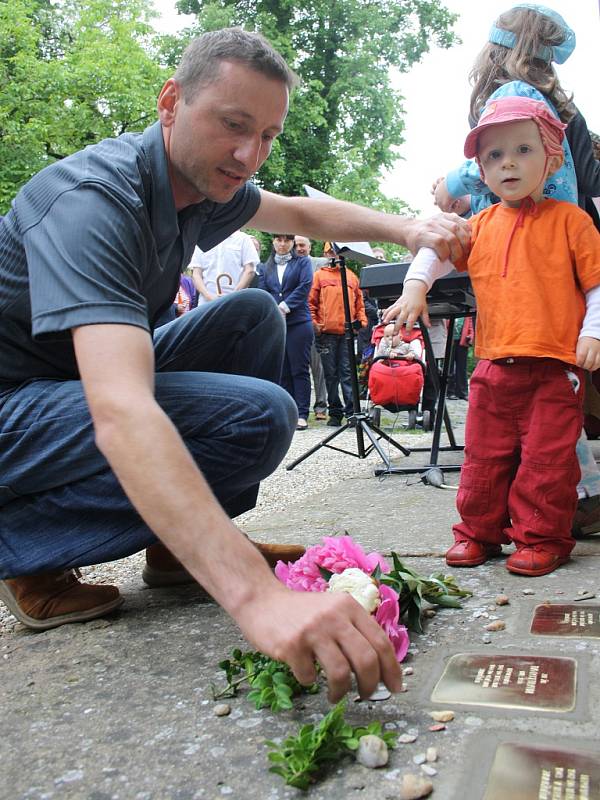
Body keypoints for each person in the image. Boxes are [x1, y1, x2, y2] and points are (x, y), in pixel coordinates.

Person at [0, 27, 470, 701]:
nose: (250, 154)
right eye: (234, 125)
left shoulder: (204, 189)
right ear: (170, 104)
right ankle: (29, 553)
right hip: (18, 408)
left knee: (253, 315)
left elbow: (305, 211)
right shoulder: (91, 202)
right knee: (261, 416)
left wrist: (408, 230)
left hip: (65, 387)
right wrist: (256, 598)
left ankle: (173, 553)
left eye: (269, 135)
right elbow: (120, 408)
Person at [387, 96, 600, 579]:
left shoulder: (572, 222)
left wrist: (594, 332)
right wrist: (414, 288)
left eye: (523, 150)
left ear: (552, 158)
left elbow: (597, 283)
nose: (508, 163)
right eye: (493, 156)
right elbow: (435, 253)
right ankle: (477, 533)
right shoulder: (477, 225)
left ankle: (542, 538)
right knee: (484, 457)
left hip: (554, 368)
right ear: (480, 170)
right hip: (492, 368)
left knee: (547, 463)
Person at [432, 3, 600, 539]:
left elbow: (490, 152)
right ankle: (580, 493)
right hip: (556, 253)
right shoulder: (558, 104)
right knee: (554, 393)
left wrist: (451, 184)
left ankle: (565, 498)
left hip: (529, 254)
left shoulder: (512, 97)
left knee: (537, 395)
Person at [258, 235, 314, 430]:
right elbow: (264, 290)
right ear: (273, 242)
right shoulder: (265, 267)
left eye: (287, 240)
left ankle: (302, 413)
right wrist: (274, 309)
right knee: (282, 369)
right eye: (278, 240)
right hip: (276, 323)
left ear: (292, 243)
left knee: (299, 368)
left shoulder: (303, 262)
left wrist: (285, 306)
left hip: (298, 321)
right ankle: (287, 412)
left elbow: (304, 286)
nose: (282, 244)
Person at [309, 243, 368, 426]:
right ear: (325, 253)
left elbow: (360, 304)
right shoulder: (318, 275)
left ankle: (351, 412)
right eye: (329, 252)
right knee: (330, 375)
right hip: (326, 333)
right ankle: (335, 413)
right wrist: (316, 324)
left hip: (347, 334)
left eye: (335, 252)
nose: (332, 255)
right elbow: (310, 303)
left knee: (347, 373)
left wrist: (361, 322)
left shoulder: (351, 276)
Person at [294, 235, 328, 420]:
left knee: (318, 366)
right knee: (297, 366)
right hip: (295, 321)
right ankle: (297, 408)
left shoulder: (321, 264)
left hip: (316, 322)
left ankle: (321, 406)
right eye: (297, 245)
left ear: (309, 246)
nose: (299, 248)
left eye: (302, 245)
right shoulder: (288, 266)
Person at [190, 229, 258, 303]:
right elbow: (196, 274)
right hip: (206, 302)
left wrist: (232, 296)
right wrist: (209, 297)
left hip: (234, 302)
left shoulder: (243, 239)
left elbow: (250, 270)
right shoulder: (203, 239)